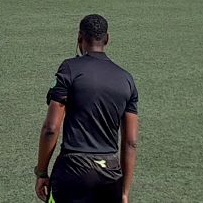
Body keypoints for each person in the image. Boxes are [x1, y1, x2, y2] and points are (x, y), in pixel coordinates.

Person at [34, 14, 139, 203]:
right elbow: (131, 142)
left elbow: (51, 129)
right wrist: (124, 191)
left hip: (72, 169)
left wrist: (41, 172)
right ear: (107, 39)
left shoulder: (69, 69)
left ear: (79, 37)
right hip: (109, 173)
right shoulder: (126, 79)